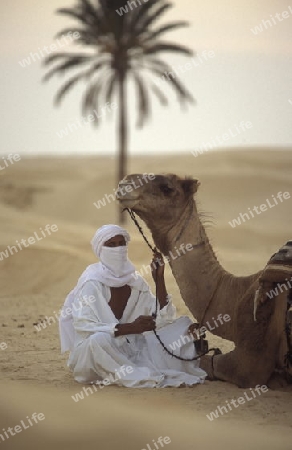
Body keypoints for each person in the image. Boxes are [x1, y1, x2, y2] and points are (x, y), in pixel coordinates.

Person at [59, 224, 207, 388]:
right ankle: (142, 375)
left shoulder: (135, 282)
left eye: (122, 244)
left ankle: (195, 359)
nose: (118, 249)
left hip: (131, 348)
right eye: (111, 245)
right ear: (100, 249)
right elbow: (83, 325)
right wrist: (129, 328)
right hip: (95, 354)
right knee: (98, 340)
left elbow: (162, 318)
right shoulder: (92, 283)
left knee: (182, 326)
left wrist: (159, 279)